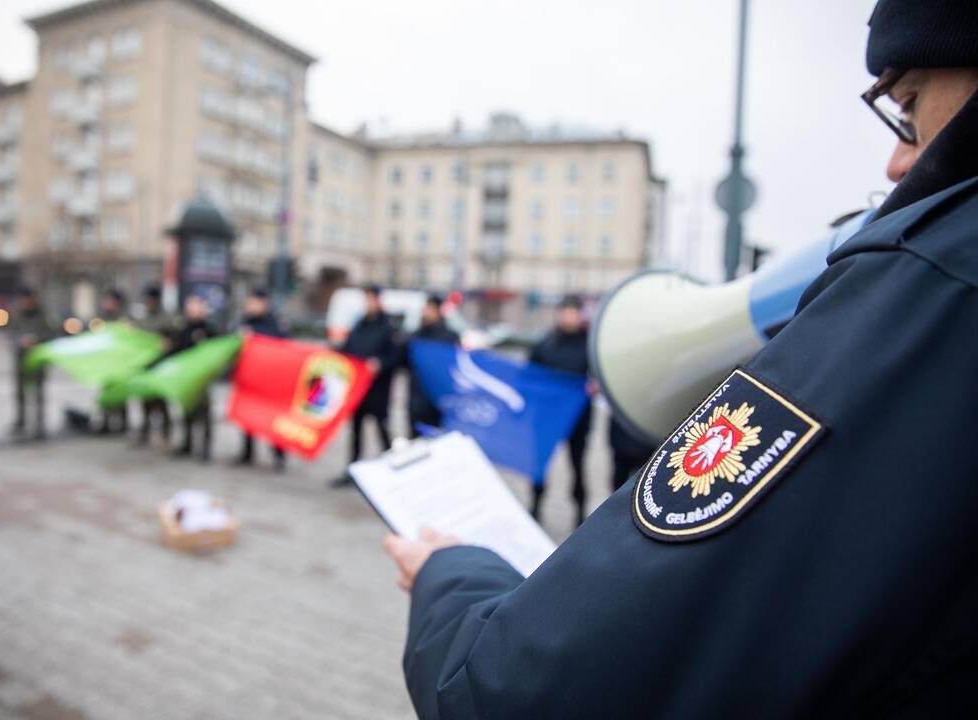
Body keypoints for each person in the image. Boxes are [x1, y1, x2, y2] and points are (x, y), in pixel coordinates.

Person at [382, 3, 978, 717]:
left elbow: (513, 690)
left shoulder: (937, 273)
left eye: (907, 104)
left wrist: (449, 573)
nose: (897, 159)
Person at [527, 295, 592, 525]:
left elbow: (597, 377)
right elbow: (530, 377)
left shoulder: (589, 345)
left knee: (578, 465)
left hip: (578, 418)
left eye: (574, 312)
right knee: (540, 465)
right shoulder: (545, 344)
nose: (569, 317)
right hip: (547, 417)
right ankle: (535, 507)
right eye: (565, 311)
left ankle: (580, 512)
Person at [331, 285, 397, 487]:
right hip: (358, 389)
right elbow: (349, 349)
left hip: (378, 390)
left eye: (371, 299)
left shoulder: (388, 327)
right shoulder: (360, 324)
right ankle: (353, 470)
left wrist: (379, 363)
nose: (368, 304)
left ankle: (393, 469)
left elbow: (395, 356)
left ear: (378, 300)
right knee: (356, 432)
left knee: (382, 431)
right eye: (366, 300)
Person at [234, 288, 288, 471]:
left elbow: (281, 344)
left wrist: (254, 336)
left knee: (273, 418)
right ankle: (247, 452)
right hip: (249, 377)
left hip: (269, 380)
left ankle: (279, 456)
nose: (249, 306)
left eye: (253, 302)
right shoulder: (245, 321)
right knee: (247, 417)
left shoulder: (274, 323)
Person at [402, 295, 459, 438]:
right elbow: (405, 363)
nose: (426, 313)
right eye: (426, 308)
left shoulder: (449, 337)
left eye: (431, 309)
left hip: (436, 401)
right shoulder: (416, 336)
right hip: (416, 398)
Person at [170, 295, 218, 460]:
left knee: (204, 416)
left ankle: (205, 449)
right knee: (186, 413)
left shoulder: (210, 329)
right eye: (190, 306)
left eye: (197, 306)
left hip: (203, 380)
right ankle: (187, 444)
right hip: (186, 378)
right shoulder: (183, 328)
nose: (193, 310)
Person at [134, 284, 179, 446]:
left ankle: (166, 434)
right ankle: (145, 432)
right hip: (146, 365)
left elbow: (174, 338)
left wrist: (167, 343)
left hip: (161, 366)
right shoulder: (143, 317)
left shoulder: (167, 318)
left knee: (161, 403)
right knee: (145, 402)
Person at [8, 287, 53, 440]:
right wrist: (19, 341)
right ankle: (21, 422)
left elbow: (51, 334)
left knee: (38, 393)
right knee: (20, 393)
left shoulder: (43, 315)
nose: (26, 303)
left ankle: (39, 424)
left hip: (38, 359)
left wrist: (36, 340)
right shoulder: (16, 314)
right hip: (21, 358)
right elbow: (10, 333)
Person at [97, 288, 130, 434]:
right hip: (107, 362)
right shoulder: (102, 318)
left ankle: (122, 423)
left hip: (121, 362)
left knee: (121, 393)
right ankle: (105, 422)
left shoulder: (124, 318)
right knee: (106, 392)